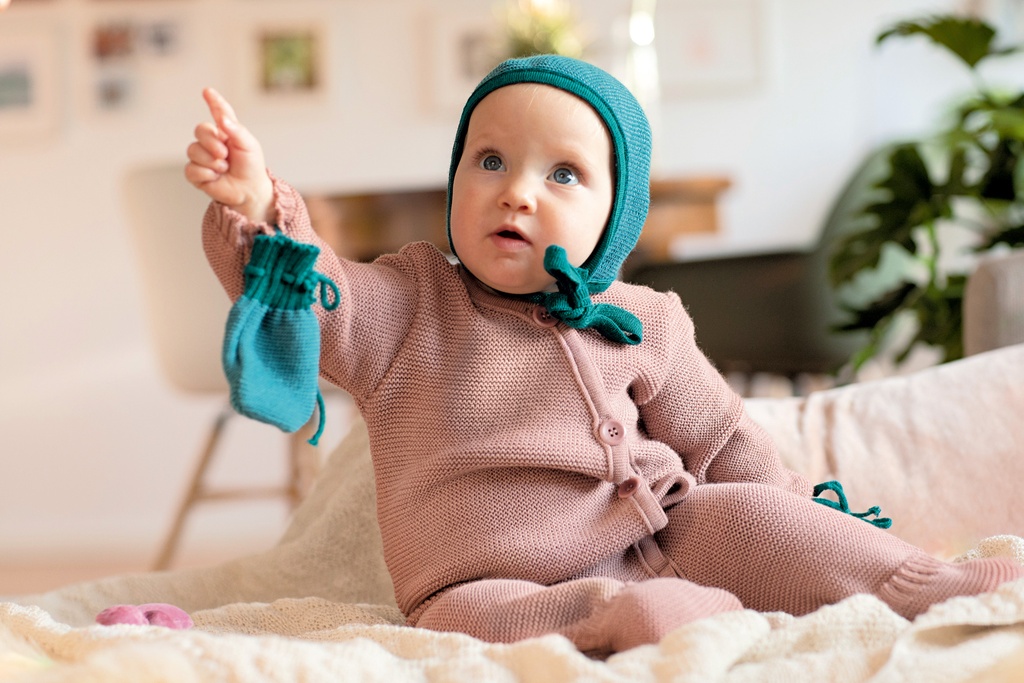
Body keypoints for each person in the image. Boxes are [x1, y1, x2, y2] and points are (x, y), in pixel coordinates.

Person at [186, 55, 1023, 655]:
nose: (516, 189)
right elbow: (319, 290)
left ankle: (913, 580)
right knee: (477, 621)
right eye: (489, 161)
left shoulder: (643, 318)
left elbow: (723, 439)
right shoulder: (408, 301)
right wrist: (261, 205)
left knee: (752, 515)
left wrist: (792, 523)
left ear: (616, 215)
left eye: (563, 175)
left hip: (658, 528)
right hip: (484, 576)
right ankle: (624, 621)